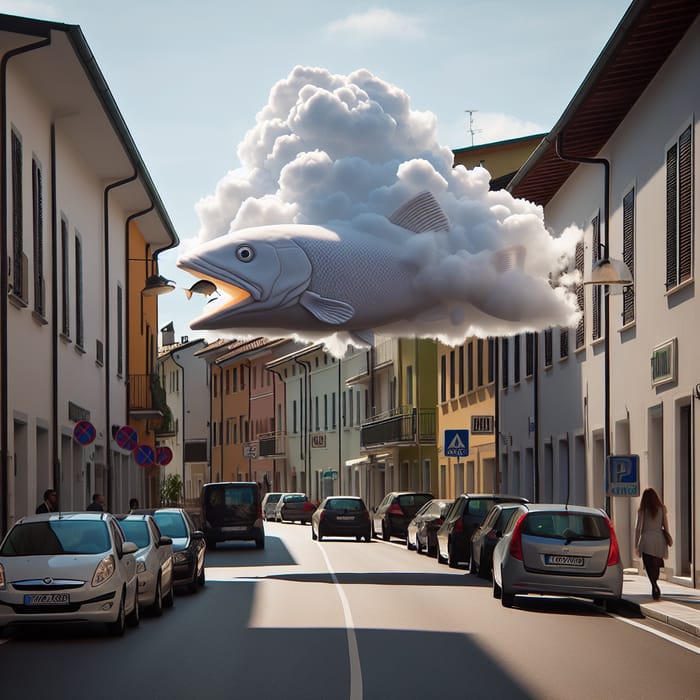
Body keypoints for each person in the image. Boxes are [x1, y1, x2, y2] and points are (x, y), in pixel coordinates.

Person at [634, 487, 672, 600]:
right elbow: (665, 524)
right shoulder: (661, 509)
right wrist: (667, 536)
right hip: (658, 539)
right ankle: (655, 583)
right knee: (655, 565)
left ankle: (654, 585)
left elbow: (637, 528)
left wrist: (636, 544)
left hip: (646, 539)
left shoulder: (642, 510)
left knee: (648, 564)